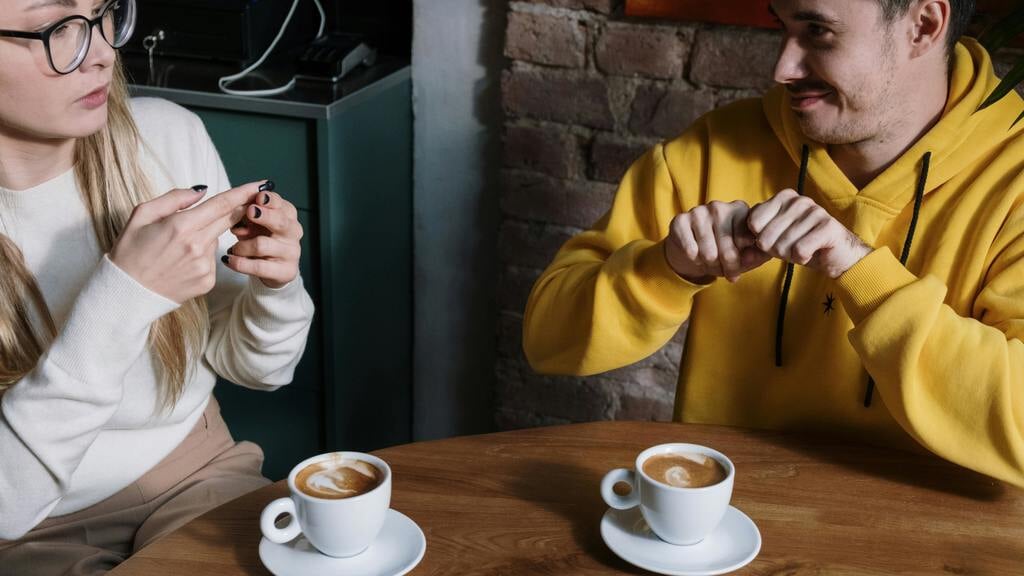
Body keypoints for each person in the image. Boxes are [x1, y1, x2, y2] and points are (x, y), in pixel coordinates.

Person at [524, 0, 1024, 488]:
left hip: (933, 549)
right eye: (781, 26)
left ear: (923, 25)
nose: (782, 67)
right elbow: (547, 340)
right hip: (726, 530)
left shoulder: (1014, 180)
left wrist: (864, 275)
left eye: (817, 31)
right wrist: (667, 269)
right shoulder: (710, 149)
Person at [0, 0, 315, 573]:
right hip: (22, 533)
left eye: (102, 15)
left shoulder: (166, 136)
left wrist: (274, 289)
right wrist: (121, 298)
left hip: (199, 471)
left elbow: (263, 371)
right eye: (55, 28)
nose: (99, 54)